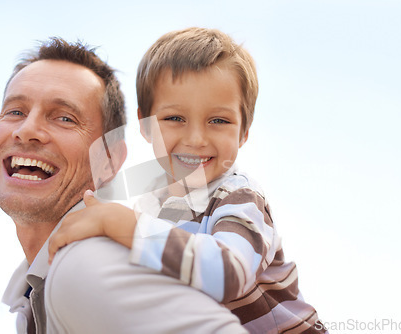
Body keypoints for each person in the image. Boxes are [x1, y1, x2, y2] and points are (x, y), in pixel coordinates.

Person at [48, 28, 327, 333]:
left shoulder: (238, 195)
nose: (195, 139)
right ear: (146, 125)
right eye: (175, 119)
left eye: (218, 121)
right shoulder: (151, 204)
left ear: (244, 132)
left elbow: (230, 274)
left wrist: (124, 226)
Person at [0, 37, 248, 334]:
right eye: (15, 112)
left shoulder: (87, 266)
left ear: (109, 160)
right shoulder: (36, 288)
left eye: (64, 117)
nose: (27, 130)